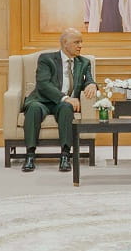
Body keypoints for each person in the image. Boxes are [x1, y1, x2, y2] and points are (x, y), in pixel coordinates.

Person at [21, 28, 95, 172]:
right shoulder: (46, 59)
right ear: (65, 43)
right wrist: (66, 98)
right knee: (34, 108)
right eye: (76, 42)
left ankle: (65, 156)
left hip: (63, 105)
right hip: (42, 100)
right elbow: (43, 84)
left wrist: (91, 84)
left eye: (81, 42)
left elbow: (89, 79)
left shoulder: (84, 62)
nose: (80, 45)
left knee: (67, 108)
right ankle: (30, 155)